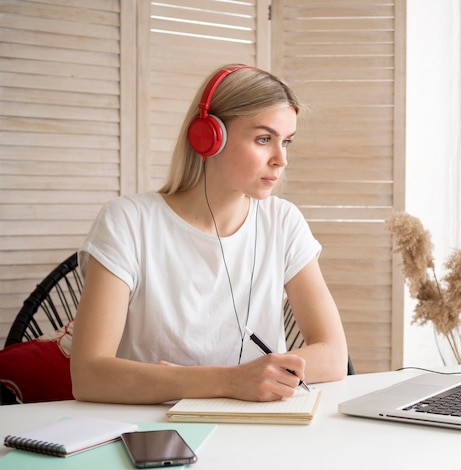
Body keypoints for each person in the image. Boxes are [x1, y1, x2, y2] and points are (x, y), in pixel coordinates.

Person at [70, 64, 348, 404]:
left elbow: (334, 357)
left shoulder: (283, 222)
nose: (281, 159)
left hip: (259, 428)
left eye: (286, 142)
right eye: (264, 139)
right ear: (208, 136)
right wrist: (231, 381)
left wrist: (244, 379)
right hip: (154, 432)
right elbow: (88, 376)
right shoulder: (127, 221)